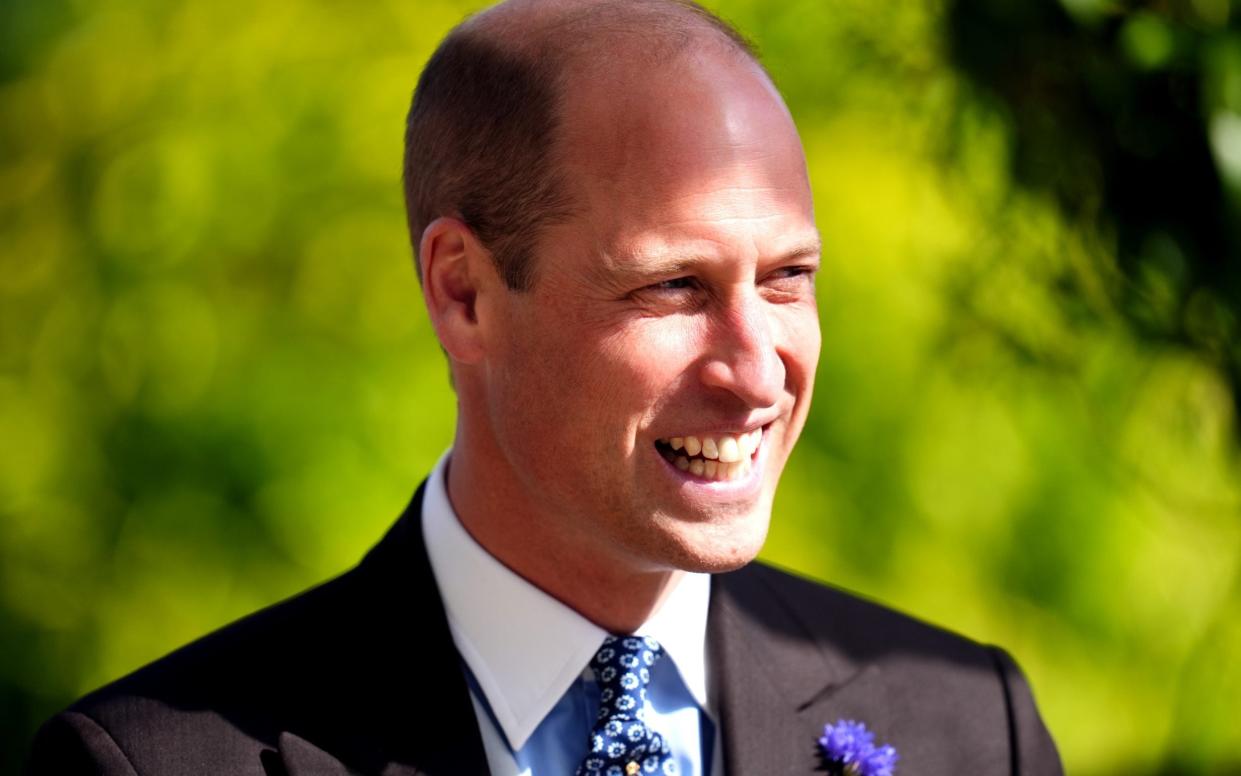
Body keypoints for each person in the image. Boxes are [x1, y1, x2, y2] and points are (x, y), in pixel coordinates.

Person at [26, 1, 1063, 774]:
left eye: (786, 276)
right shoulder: (147, 762)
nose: (755, 370)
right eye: (671, 286)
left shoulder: (972, 728)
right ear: (464, 293)